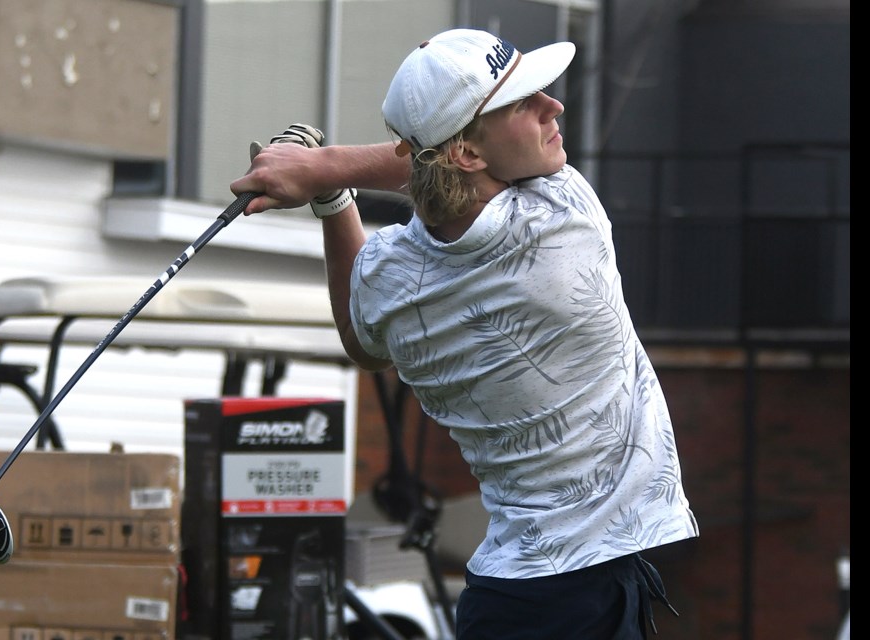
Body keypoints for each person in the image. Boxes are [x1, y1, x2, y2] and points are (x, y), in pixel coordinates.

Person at [231, 28, 699, 640]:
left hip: (507, 597)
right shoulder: (563, 215)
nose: (552, 107)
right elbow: (422, 174)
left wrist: (328, 192)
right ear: (470, 156)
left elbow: (360, 339)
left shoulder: (391, 279)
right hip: (581, 595)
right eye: (523, 102)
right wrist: (328, 166)